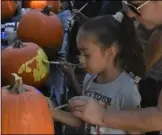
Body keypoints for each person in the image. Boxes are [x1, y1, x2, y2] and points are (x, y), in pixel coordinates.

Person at [68, 0, 162, 132]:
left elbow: (159, 119)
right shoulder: (91, 79)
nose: (128, 14)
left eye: (134, 6)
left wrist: (101, 115)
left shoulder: (126, 89)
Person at [47, 11, 146, 134]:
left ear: (110, 52)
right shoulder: (90, 78)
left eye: (86, 54)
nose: (80, 59)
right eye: (80, 53)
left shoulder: (126, 90)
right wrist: (53, 113)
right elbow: (82, 121)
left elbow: (136, 131)